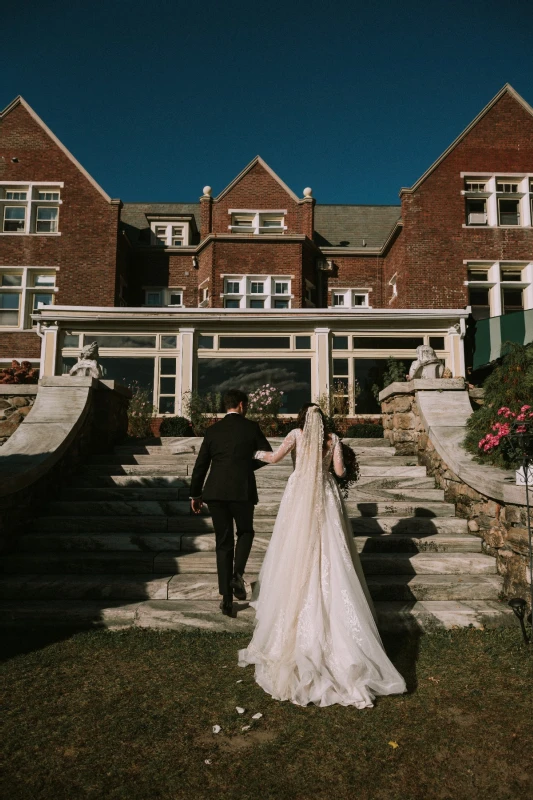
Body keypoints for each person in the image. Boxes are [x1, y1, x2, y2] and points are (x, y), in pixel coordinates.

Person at [238, 403, 407, 708]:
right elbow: (340, 472)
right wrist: (338, 458)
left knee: (295, 550)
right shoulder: (333, 440)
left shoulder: (296, 435)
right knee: (331, 552)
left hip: (300, 496)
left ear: (302, 418)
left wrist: (251, 452)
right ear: (324, 420)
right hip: (326, 496)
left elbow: (274, 458)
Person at [189, 389, 272, 616]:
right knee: (245, 532)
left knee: (223, 542)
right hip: (242, 490)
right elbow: (267, 453)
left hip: (215, 492)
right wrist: (246, 466)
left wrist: (195, 495)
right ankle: (237, 575)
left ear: (226, 406)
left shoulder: (212, 431)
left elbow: (200, 466)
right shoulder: (250, 427)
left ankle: (226, 599)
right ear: (242, 405)